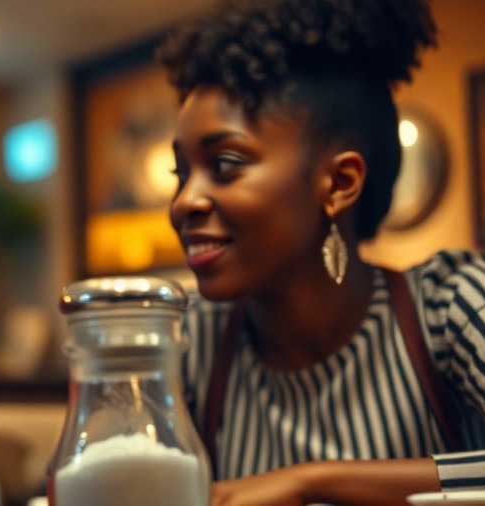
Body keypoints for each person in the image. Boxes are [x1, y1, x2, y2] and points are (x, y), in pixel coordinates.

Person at [157, 0, 485, 503]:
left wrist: (310, 481)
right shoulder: (189, 343)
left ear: (339, 183)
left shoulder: (449, 307)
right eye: (181, 174)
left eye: (224, 163)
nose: (184, 202)